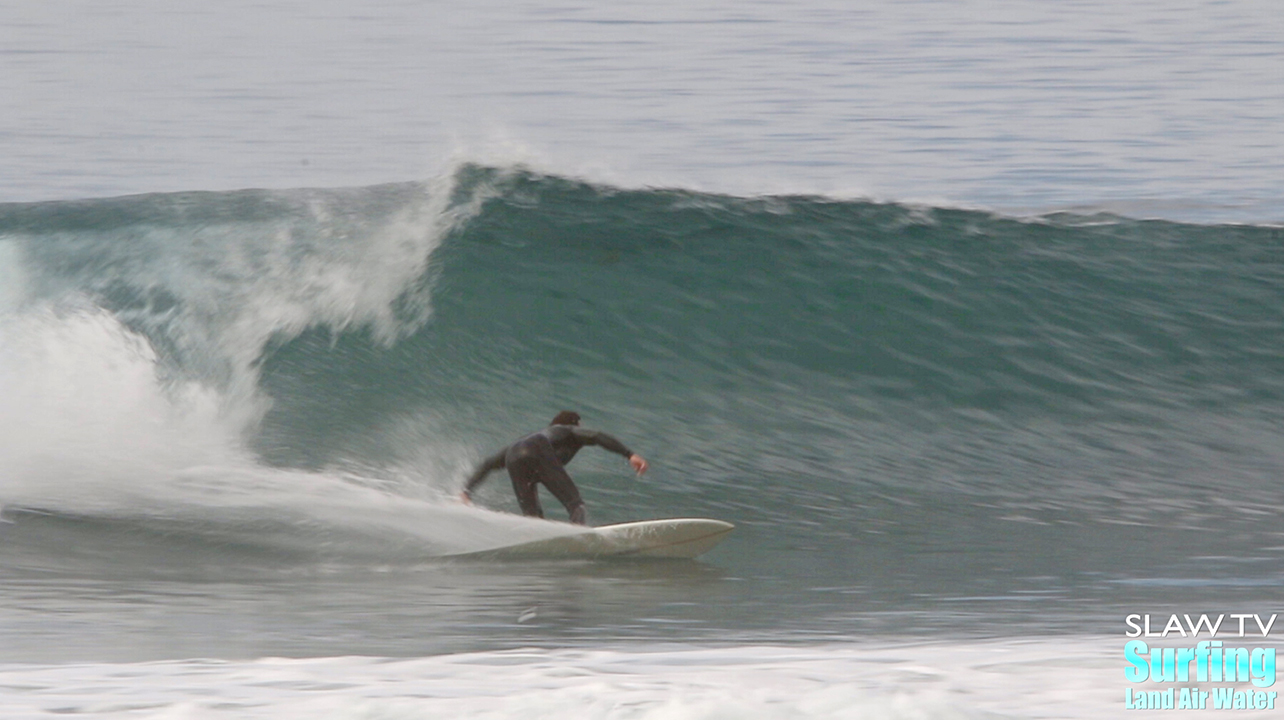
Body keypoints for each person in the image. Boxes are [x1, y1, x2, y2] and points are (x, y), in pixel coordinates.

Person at [459, 411, 648, 525]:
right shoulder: (568, 430)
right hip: (537, 450)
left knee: (533, 519)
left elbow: (488, 464)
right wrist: (629, 454)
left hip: (513, 455)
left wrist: (467, 490)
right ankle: (577, 537)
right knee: (576, 505)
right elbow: (597, 436)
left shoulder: (536, 435)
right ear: (575, 424)